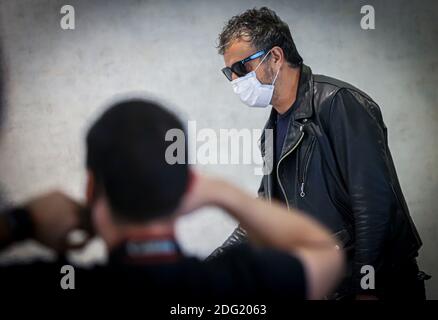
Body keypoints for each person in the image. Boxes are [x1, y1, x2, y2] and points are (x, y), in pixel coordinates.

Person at [0, 99, 344, 301]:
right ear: (186, 186)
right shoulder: (239, 288)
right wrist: (223, 194)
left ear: (91, 188)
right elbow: (324, 251)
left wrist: (19, 223)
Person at [210, 7, 427, 300]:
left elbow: (374, 205)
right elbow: (265, 214)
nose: (236, 80)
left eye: (241, 68)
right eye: (229, 72)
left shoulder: (338, 103)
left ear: (275, 56)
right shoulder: (272, 131)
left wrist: (366, 286)